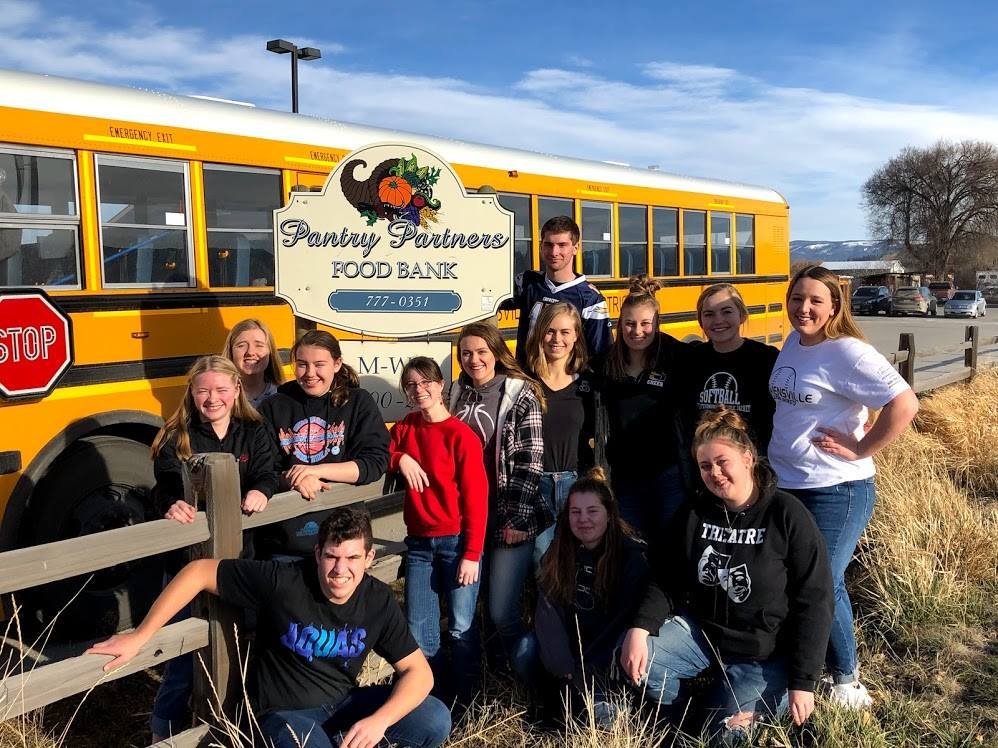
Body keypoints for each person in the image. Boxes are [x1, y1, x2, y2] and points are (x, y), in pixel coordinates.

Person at [87, 508, 452, 748]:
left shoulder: (377, 599)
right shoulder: (284, 581)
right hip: (282, 715)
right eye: (331, 557)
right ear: (317, 554)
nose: (341, 570)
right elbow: (198, 572)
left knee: (434, 718)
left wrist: (378, 721)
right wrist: (140, 635)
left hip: (342, 706)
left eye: (354, 557)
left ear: (370, 558)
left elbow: (418, 672)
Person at [619, 408, 834, 743]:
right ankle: (682, 721)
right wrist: (639, 627)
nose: (714, 473)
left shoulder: (787, 515)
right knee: (642, 658)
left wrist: (803, 682)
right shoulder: (694, 512)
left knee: (725, 736)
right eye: (705, 466)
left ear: (748, 458)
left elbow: (816, 600)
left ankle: (742, 712)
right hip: (704, 637)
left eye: (722, 461)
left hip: (764, 654)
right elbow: (666, 574)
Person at [769, 264, 919, 708]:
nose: (804, 308)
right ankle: (798, 666)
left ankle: (846, 679)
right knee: (793, 578)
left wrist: (862, 448)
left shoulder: (847, 352)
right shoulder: (793, 342)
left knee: (824, 579)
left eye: (816, 300)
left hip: (836, 487)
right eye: (798, 298)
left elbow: (904, 403)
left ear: (835, 305)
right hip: (787, 483)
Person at [147, 354, 278, 739]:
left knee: (244, 647)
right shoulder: (177, 435)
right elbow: (165, 484)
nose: (212, 398)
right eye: (203, 390)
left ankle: (237, 728)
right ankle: (165, 733)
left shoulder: (253, 429)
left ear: (237, 389)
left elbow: (268, 471)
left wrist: (262, 490)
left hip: (241, 560)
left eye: (221, 389)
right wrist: (172, 502)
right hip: (189, 564)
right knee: (183, 659)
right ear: (191, 392)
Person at [389, 356, 488, 708]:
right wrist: (400, 457)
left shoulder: (462, 436)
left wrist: (472, 554)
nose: (419, 390)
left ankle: (467, 705)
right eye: (411, 385)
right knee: (420, 633)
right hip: (419, 545)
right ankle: (429, 705)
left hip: (457, 542)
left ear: (441, 384)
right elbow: (380, 447)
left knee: (461, 628)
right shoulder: (405, 429)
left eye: (426, 382)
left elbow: (477, 499)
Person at [449, 321, 549, 668]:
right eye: (466, 353)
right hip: (465, 516)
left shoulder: (519, 393)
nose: (473, 360)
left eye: (480, 352)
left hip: (507, 511)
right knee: (466, 610)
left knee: (501, 610)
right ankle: (489, 681)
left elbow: (529, 459)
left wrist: (517, 518)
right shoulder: (455, 393)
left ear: (496, 352)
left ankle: (529, 679)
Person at [257, 330, 389, 559]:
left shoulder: (358, 402)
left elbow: (374, 462)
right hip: (287, 539)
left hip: (346, 537)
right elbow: (265, 467)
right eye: (302, 364)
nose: (310, 373)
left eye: (319, 364)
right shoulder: (274, 406)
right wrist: (297, 479)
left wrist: (315, 470)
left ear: (337, 364)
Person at [533, 467, 647, 725]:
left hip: (608, 657)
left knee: (602, 721)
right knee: (524, 651)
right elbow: (547, 613)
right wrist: (564, 668)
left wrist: (590, 672)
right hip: (571, 658)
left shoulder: (631, 556)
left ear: (609, 514)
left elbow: (626, 620)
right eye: (576, 512)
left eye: (592, 511)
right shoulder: (559, 552)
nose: (583, 519)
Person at [591, 274, 687, 538]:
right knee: (632, 546)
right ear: (620, 324)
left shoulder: (676, 358)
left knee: (671, 542)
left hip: (667, 472)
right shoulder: (607, 364)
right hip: (624, 475)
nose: (637, 331)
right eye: (630, 324)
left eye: (646, 324)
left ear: (657, 324)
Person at [524, 301, 596, 568]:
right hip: (536, 485)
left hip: (575, 483)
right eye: (550, 331)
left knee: (579, 560)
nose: (557, 339)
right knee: (543, 562)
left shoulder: (589, 383)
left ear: (576, 336)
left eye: (565, 332)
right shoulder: (525, 382)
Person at [678, 283, 778, 453]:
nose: (718, 320)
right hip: (704, 467)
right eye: (709, 314)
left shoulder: (766, 358)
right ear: (700, 321)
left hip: (754, 463)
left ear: (742, 315)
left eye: (727, 311)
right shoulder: (691, 360)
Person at [510, 215, 612, 364]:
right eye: (548, 245)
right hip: (528, 378)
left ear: (575, 248)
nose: (554, 252)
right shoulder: (528, 283)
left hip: (568, 382)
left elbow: (601, 356)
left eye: (562, 245)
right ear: (541, 246)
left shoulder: (591, 299)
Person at [222, 318, 285, 408]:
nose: (250, 352)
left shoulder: (285, 398)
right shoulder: (219, 400)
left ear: (270, 352)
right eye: (241, 345)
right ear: (231, 351)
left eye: (259, 345)